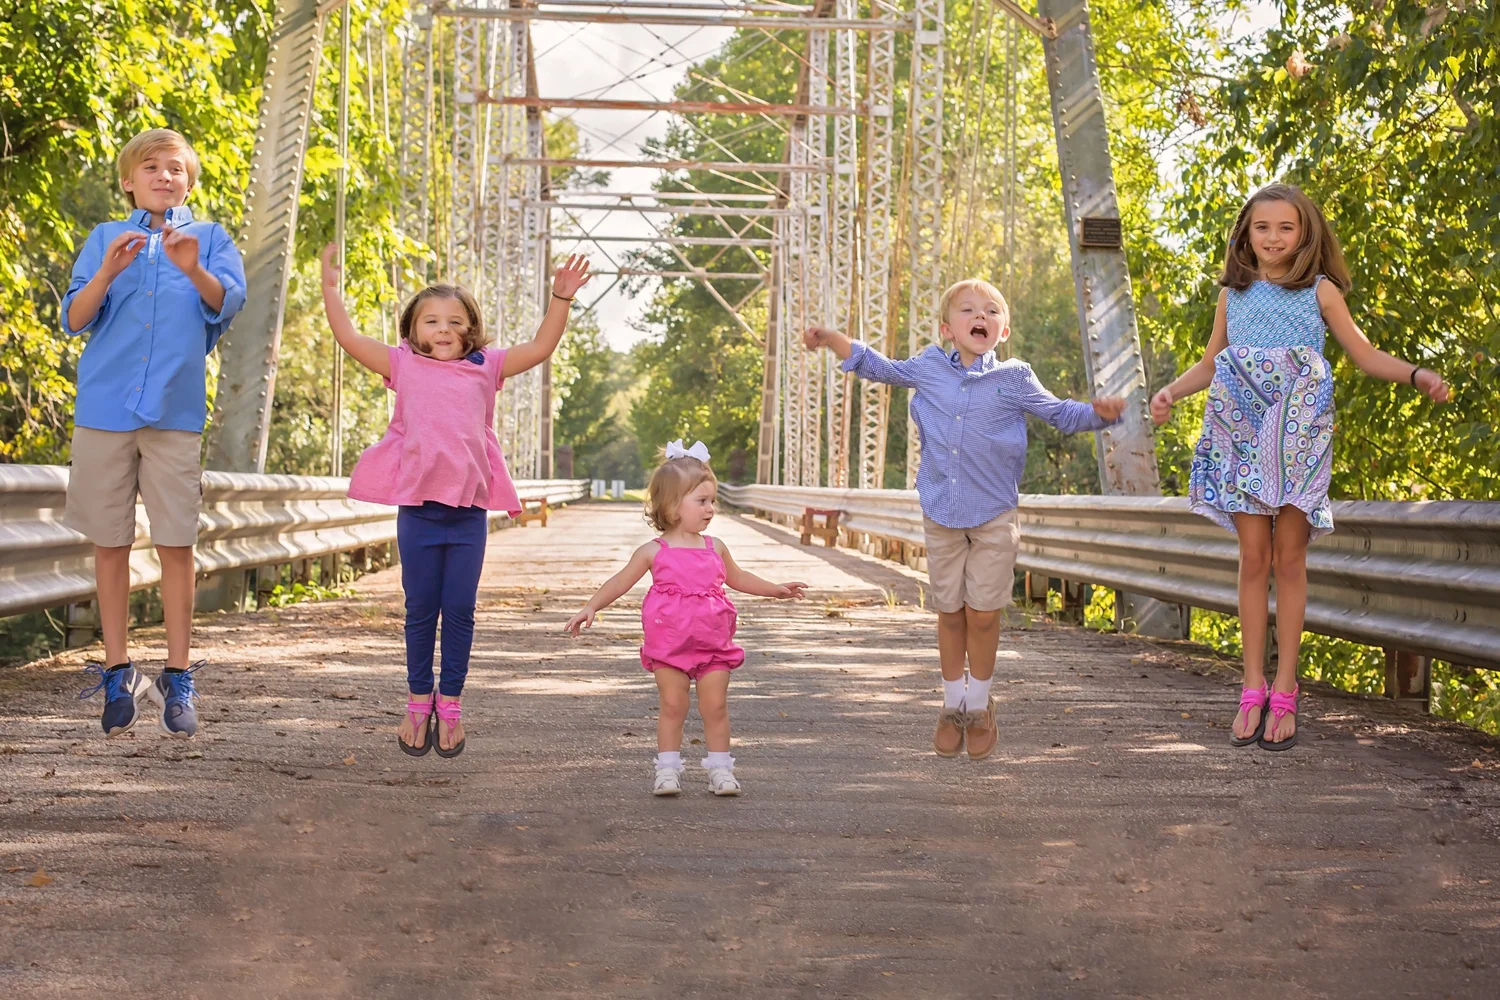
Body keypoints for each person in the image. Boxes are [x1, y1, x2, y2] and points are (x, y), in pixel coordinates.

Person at [1151, 183, 1450, 751]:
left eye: (1285, 227)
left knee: (1288, 558)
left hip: (1300, 433)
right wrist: (1171, 391)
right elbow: (1212, 362)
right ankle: (1252, 687)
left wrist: (1416, 375)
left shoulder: (1320, 290)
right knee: (1253, 558)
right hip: (1241, 427)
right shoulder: (1232, 295)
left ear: (1305, 234)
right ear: (1246, 235)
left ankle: (1285, 687)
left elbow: (1363, 353)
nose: (1273, 238)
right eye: (1262, 227)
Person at [804, 279, 1124, 759]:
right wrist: (832, 338)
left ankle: (979, 705)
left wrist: (1101, 415)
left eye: (991, 310)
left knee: (983, 613)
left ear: (1003, 330)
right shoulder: (929, 366)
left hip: (994, 511)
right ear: (947, 329)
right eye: (969, 310)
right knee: (950, 612)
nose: (981, 316)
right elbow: (878, 365)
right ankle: (952, 703)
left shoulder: (1016, 377)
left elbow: (1061, 413)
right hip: (942, 510)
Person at [322, 243, 592, 757]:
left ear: (471, 328)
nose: (443, 330)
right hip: (418, 512)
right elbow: (349, 337)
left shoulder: (487, 365)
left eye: (455, 321)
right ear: (412, 329)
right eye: (431, 321)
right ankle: (417, 700)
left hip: (468, 513)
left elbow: (540, 347)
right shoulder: (401, 363)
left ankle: (450, 703)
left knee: (461, 610)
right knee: (421, 609)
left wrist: (560, 298)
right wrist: (332, 291)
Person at [67, 128, 247, 739]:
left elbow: (226, 304)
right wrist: (106, 273)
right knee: (110, 542)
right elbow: (75, 317)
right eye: (151, 167)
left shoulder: (211, 239)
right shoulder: (103, 238)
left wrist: (192, 269)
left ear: (188, 183)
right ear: (129, 180)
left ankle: (177, 674)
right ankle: (118, 670)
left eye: (175, 168)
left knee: (176, 543)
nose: (164, 175)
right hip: (104, 410)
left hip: (174, 412)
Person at [564, 441, 808, 796]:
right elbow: (620, 581)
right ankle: (667, 770)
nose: (711, 509)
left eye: (713, 501)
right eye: (702, 501)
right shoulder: (653, 551)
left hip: (713, 643)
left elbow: (738, 578)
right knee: (673, 706)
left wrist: (775, 589)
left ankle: (721, 770)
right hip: (669, 645)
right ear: (671, 505)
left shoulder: (715, 547)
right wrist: (591, 606)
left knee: (715, 706)